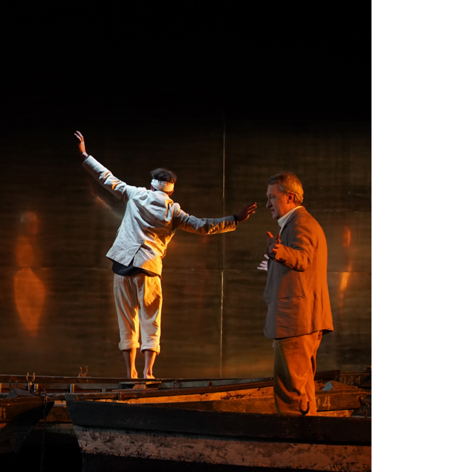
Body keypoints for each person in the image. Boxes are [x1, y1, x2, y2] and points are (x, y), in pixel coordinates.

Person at [74, 131, 256, 379]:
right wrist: (235, 219)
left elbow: (107, 178)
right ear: (170, 192)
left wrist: (85, 155)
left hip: (122, 266)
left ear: (152, 186)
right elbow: (204, 226)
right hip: (148, 268)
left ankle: (130, 372)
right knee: (151, 319)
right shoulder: (174, 211)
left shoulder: (136, 194)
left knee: (126, 320)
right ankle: (148, 372)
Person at [262, 172, 333, 416]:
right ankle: (308, 437)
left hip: (296, 321)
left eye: (272, 197)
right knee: (301, 392)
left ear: (290, 197)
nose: (268, 204)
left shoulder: (301, 223)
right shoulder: (296, 223)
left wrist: (278, 251)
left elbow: (303, 258)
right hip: (299, 321)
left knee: (290, 394)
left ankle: (293, 439)